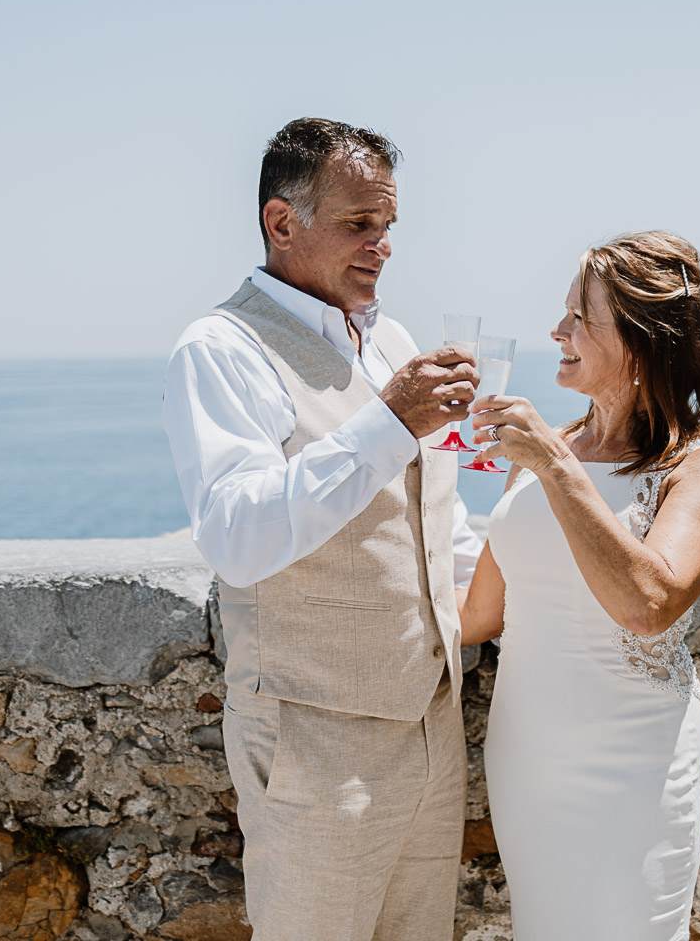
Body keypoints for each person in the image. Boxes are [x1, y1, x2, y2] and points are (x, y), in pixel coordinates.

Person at [162, 117, 483, 941]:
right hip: (315, 735)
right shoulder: (222, 348)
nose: (382, 245)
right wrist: (390, 421)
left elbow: (435, 528)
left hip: (432, 724)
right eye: (358, 223)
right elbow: (237, 535)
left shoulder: (394, 342)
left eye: (388, 224)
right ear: (282, 222)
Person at [460, 230, 700, 940]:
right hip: (527, 757)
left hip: (634, 767)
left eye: (580, 318)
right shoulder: (546, 449)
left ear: (642, 341)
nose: (557, 331)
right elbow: (478, 616)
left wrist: (555, 466)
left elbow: (647, 605)